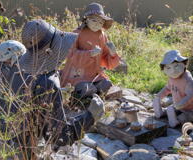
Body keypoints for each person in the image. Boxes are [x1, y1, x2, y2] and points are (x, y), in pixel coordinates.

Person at [10, 19, 105, 148]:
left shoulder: (19, 72)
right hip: (23, 151)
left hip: (7, 142)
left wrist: (57, 94)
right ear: (53, 50)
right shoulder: (47, 82)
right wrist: (90, 115)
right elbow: (59, 136)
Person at [60, 2, 120, 98]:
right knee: (86, 89)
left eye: (101, 22)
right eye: (94, 20)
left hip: (95, 73)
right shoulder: (76, 33)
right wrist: (90, 54)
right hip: (78, 74)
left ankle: (94, 90)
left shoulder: (102, 36)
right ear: (86, 19)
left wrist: (112, 54)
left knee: (106, 84)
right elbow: (70, 55)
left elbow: (105, 58)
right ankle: (84, 91)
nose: (97, 25)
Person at [153, 50, 193, 128]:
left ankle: (176, 121)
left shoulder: (187, 79)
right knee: (171, 109)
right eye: (168, 68)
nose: (173, 71)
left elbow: (191, 95)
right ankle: (162, 113)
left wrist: (181, 104)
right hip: (178, 106)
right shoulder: (171, 78)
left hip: (191, 109)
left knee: (183, 117)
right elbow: (167, 88)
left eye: (176, 66)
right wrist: (159, 96)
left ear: (183, 64)